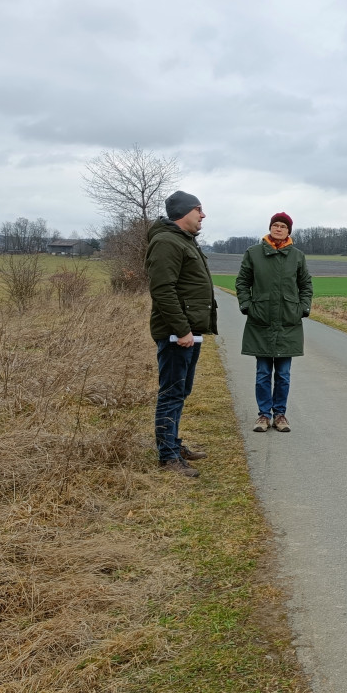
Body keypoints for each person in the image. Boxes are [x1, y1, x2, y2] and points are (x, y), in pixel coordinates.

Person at [145, 190, 218, 478]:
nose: (203, 215)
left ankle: (173, 444)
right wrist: (182, 329)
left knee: (181, 391)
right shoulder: (166, 242)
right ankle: (168, 456)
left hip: (188, 332)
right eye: (198, 209)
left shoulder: (182, 241)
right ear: (183, 213)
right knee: (172, 393)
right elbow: (163, 290)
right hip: (178, 334)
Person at [236, 212, 314, 434]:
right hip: (260, 320)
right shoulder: (253, 253)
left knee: (283, 374)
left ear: (289, 231)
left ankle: (280, 415)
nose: (278, 229)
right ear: (270, 228)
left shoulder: (297, 256)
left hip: (288, 321)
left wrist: (302, 308)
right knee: (262, 372)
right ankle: (263, 415)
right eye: (275, 225)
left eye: (283, 226)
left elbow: (306, 285)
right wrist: (247, 306)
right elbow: (242, 282)